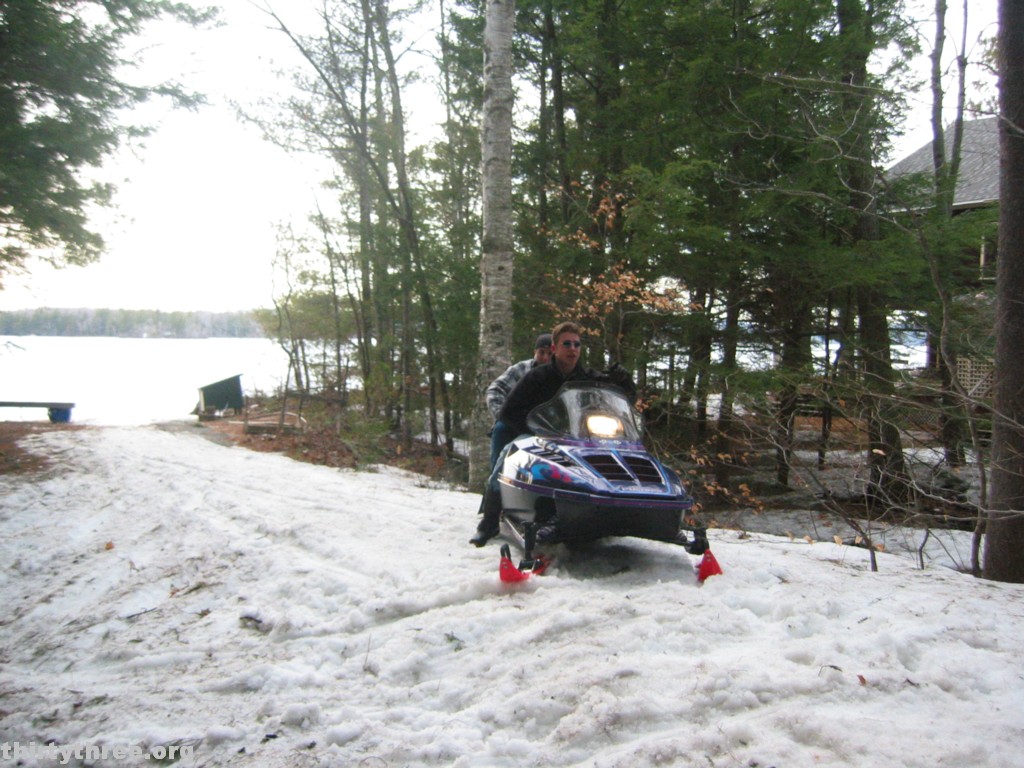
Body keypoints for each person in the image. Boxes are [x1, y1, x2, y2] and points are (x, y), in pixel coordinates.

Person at [469, 321, 635, 546]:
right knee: (507, 457)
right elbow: (508, 412)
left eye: (576, 344)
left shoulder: (588, 376)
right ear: (555, 348)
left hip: (577, 438)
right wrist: (533, 429)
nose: (572, 349)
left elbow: (625, 400)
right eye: (567, 344)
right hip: (537, 436)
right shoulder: (537, 376)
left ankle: (611, 512)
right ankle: (489, 522)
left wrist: (624, 381)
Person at [485, 333, 553, 469]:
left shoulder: (561, 373)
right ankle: (496, 478)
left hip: (549, 427)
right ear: (535, 352)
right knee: (501, 429)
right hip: (517, 422)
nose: (545, 358)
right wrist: (502, 414)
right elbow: (495, 390)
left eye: (550, 354)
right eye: (541, 353)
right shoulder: (522, 369)